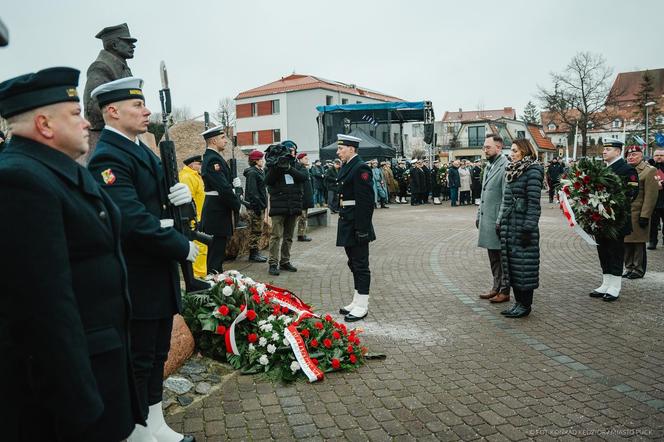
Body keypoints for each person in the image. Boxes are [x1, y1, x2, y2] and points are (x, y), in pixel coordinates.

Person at [0, 67, 142, 442]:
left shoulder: (54, 171)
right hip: (72, 387)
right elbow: (42, 303)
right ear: (45, 124)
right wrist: (77, 402)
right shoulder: (20, 180)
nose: (85, 123)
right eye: (75, 114)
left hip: (100, 363)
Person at [87, 77, 197, 442]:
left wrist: (182, 198)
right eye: (137, 105)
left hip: (156, 273)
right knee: (139, 358)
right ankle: (134, 430)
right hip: (136, 275)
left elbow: (162, 204)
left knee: (156, 351)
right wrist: (180, 245)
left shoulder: (141, 150)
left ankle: (154, 422)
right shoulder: (108, 156)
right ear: (113, 112)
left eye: (145, 103)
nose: (147, 110)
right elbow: (132, 221)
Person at [589, 139, 639, 302]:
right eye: (604, 149)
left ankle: (615, 286)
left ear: (618, 152)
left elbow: (632, 192)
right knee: (603, 251)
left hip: (617, 220)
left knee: (615, 252)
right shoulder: (603, 169)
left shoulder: (627, 169)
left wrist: (610, 203)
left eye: (608, 149)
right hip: (600, 219)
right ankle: (606, 283)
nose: (604, 152)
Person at [498, 138, 544, 318]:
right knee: (513, 265)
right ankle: (518, 302)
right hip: (510, 224)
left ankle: (525, 304)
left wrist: (528, 228)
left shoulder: (533, 170)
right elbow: (507, 199)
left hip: (523, 226)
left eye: (515, 150)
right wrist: (501, 221)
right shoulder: (512, 170)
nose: (511, 154)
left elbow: (534, 203)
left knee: (525, 266)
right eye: (511, 150)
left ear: (525, 152)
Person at [82, 23, 136, 163]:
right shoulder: (101, 67)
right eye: (128, 42)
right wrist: (128, 115)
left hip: (120, 136)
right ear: (114, 45)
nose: (133, 46)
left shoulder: (123, 67)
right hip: (105, 139)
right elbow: (93, 108)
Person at [335, 134, 375, 321]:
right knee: (353, 263)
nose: (338, 152)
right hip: (347, 220)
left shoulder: (360, 168)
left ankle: (363, 305)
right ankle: (357, 299)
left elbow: (366, 202)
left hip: (357, 224)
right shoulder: (349, 166)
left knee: (361, 265)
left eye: (341, 148)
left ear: (351, 149)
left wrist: (362, 228)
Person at [199, 125, 242, 274]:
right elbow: (223, 188)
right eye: (223, 137)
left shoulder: (215, 158)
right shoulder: (212, 161)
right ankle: (212, 288)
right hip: (216, 213)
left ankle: (215, 283)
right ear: (213, 140)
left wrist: (235, 186)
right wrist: (237, 204)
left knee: (217, 255)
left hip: (218, 211)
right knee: (214, 257)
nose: (226, 141)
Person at [265, 140, 308, 275]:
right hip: (279, 206)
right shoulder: (273, 164)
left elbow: (303, 177)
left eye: (293, 150)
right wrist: (278, 167)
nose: (291, 153)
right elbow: (268, 181)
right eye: (289, 150)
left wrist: (289, 168)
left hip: (293, 205)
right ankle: (273, 263)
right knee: (276, 236)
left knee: (288, 236)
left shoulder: (298, 166)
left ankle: (285, 261)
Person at [477, 134, 510, 304]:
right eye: (484, 147)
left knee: (502, 257)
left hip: (497, 220)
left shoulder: (505, 166)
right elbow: (483, 193)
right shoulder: (490, 165)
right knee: (493, 257)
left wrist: (500, 219)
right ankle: (496, 287)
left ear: (499, 147)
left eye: (488, 147)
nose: (485, 150)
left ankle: (504, 290)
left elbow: (506, 196)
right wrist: (478, 215)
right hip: (487, 219)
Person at [623, 145, 658, 279]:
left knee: (638, 243)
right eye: (629, 155)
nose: (631, 157)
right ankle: (629, 267)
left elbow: (651, 196)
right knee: (626, 242)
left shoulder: (649, 171)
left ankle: (638, 269)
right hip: (626, 213)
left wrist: (645, 215)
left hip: (639, 213)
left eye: (634, 155)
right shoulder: (626, 170)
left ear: (641, 156)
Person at [179, 154, 208, 278]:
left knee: (201, 247)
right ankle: (198, 276)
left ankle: (200, 274)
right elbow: (188, 201)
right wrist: (194, 219)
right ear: (192, 164)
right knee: (199, 247)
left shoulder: (194, 176)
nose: (200, 166)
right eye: (198, 164)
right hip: (194, 219)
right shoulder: (187, 177)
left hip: (200, 216)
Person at [244, 149, 268, 262]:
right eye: (260, 159)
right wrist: (257, 207)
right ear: (255, 160)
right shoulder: (252, 173)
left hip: (260, 206)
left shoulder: (259, 171)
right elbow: (253, 192)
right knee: (255, 231)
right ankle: (253, 255)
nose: (262, 161)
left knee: (258, 230)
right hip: (255, 207)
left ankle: (255, 252)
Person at [296, 152, 314, 241]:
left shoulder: (304, 169)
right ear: (300, 159)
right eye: (305, 158)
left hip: (306, 197)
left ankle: (302, 234)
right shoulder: (300, 169)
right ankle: (301, 235)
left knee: (304, 217)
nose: (307, 160)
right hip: (302, 198)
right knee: (302, 217)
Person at [648, 148, 664, 249]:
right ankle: (652, 241)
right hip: (653, 200)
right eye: (656, 155)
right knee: (653, 224)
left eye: (661, 155)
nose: (658, 157)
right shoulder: (649, 168)